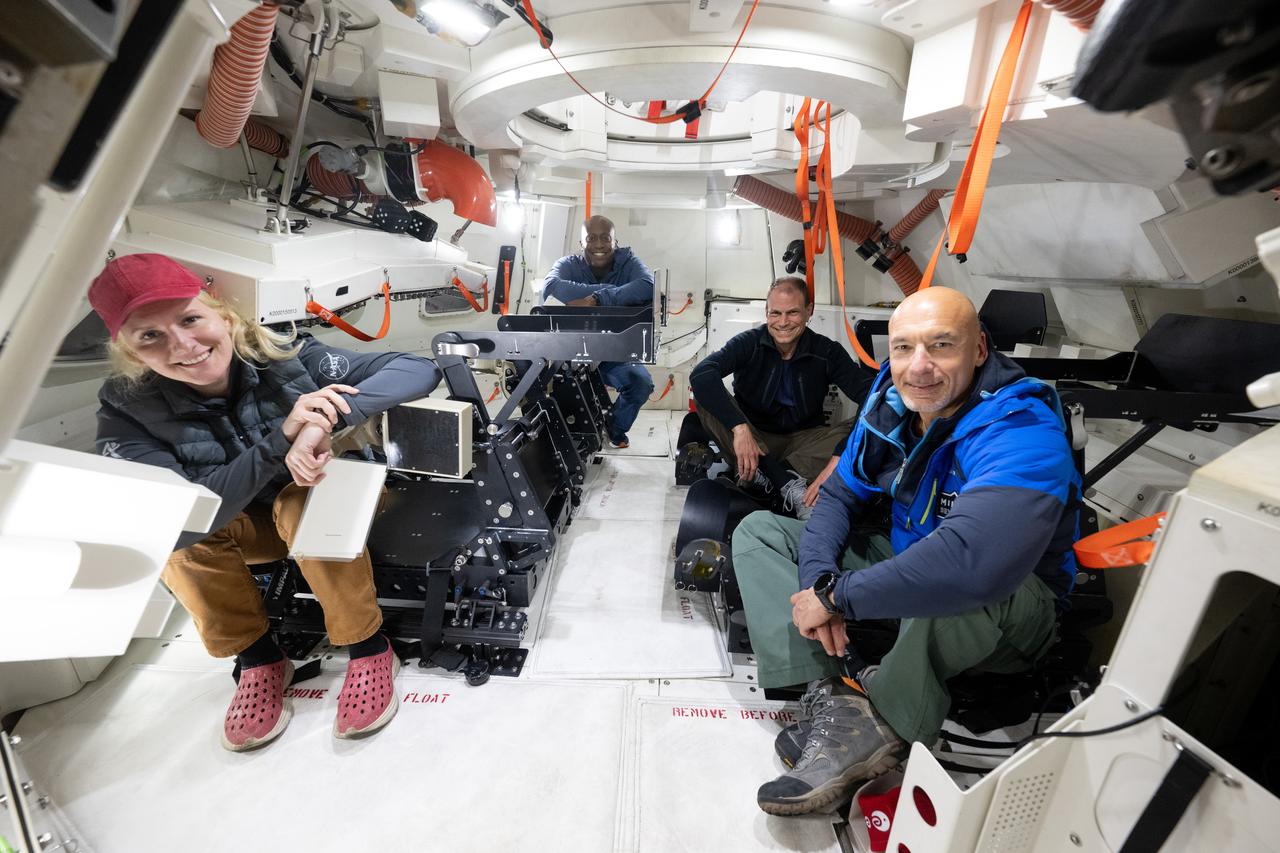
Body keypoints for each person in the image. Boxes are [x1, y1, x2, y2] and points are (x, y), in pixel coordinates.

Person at [733, 287, 1080, 816]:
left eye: (941, 346)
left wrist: (839, 598)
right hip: (908, 569)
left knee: (957, 580)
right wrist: (821, 584)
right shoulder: (893, 407)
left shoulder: (1021, 429)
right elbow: (840, 496)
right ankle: (834, 693)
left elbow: (973, 562)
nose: (918, 367)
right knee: (759, 530)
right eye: (903, 348)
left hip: (1008, 607)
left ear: (979, 350)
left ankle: (882, 723)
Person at [90, 253, 443, 752]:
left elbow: (414, 368)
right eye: (150, 336)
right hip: (245, 529)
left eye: (191, 319)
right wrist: (279, 440)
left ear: (225, 317)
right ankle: (258, 660)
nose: (184, 345)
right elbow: (178, 522)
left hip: (331, 506)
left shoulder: (288, 354)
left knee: (301, 504)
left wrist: (322, 421)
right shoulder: (127, 410)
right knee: (176, 536)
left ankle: (368, 646)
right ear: (128, 352)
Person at [689, 276, 873, 520]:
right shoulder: (750, 343)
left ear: (809, 311)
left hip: (803, 445)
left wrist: (840, 453)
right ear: (767, 312)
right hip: (753, 439)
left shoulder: (827, 352)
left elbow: (872, 396)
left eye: (793, 313)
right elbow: (701, 374)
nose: (783, 322)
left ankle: (768, 478)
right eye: (775, 313)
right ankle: (786, 485)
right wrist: (740, 428)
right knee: (705, 396)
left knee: (870, 420)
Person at [541, 214, 655, 448]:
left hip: (614, 353)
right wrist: (622, 293)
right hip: (570, 353)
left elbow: (648, 286)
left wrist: (598, 298)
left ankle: (614, 429)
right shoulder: (568, 264)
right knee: (546, 386)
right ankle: (564, 437)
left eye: (606, 238)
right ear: (581, 243)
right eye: (591, 238)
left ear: (616, 241)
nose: (599, 244)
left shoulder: (628, 262)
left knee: (641, 384)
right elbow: (551, 287)